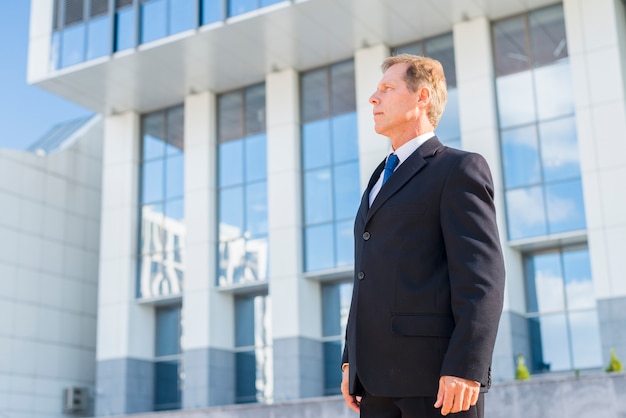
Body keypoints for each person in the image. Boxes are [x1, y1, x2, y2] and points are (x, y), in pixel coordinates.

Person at [340, 53, 505, 418]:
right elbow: (366, 275)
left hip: (437, 384)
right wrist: (351, 358)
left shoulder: (458, 169)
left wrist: (467, 366)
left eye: (387, 88)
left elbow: (481, 279)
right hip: (374, 384)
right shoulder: (378, 180)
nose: (373, 98)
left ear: (422, 98)